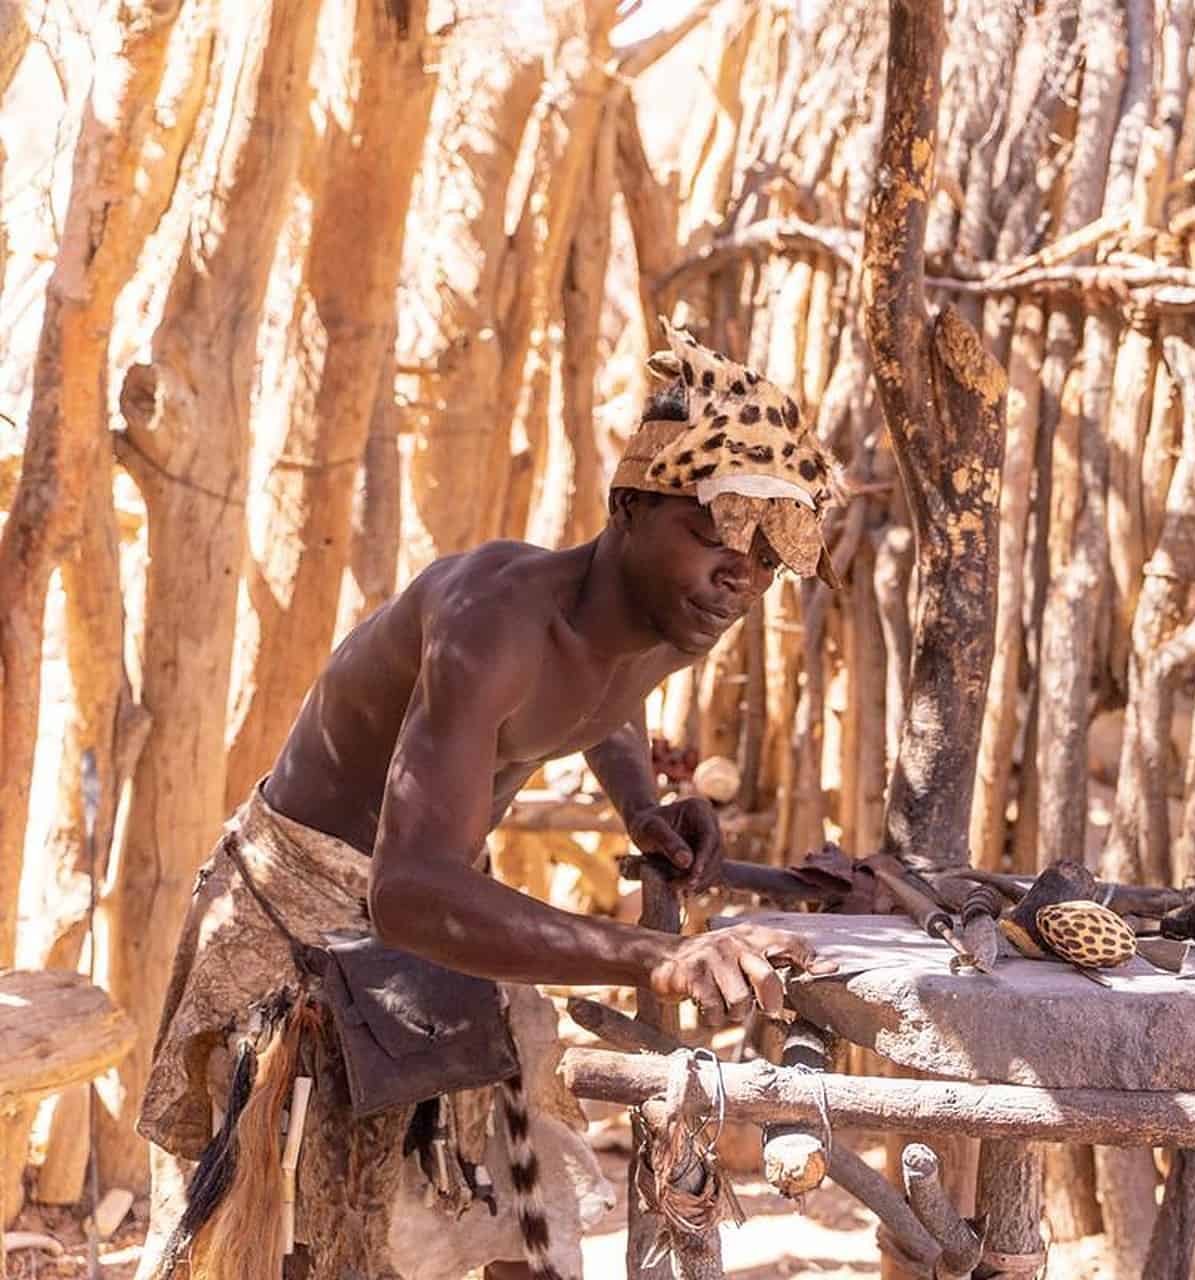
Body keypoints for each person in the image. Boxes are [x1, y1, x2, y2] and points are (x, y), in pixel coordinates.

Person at [137, 326, 846, 1280]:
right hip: (303, 904)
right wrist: (665, 957)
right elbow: (408, 892)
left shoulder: (688, 614)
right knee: (283, 1238)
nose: (744, 575)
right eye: (717, 532)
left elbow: (608, 698)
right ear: (629, 504)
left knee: (509, 1219)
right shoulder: (491, 622)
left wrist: (643, 803)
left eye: (770, 555)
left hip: (439, 897)